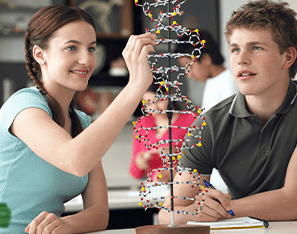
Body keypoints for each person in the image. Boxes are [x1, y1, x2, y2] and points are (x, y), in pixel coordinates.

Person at [0, 5, 155, 234]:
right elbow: (74, 159)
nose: (86, 59)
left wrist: (64, 224)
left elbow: (99, 213)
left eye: (91, 48)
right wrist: (135, 86)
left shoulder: (82, 123)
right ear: (39, 54)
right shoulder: (23, 107)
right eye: (71, 47)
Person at [159, 0, 297, 224]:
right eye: (235, 49)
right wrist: (195, 212)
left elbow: (293, 201)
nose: (241, 59)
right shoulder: (209, 126)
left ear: (288, 57)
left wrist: (222, 208)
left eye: (256, 47)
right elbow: (167, 213)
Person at [129, 83, 196, 182]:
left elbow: (205, 162)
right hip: (155, 190)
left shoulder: (192, 120)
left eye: (159, 101)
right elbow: (135, 174)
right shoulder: (142, 124)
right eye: (148, 104)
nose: (154, 108)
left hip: (186, 187)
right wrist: (139, 163)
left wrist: (177, 155)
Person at [176, 30, 238, 112]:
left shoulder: (231, 83)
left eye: (190, 67)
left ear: (206, 59)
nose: (188, 75)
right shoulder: (211, 81)